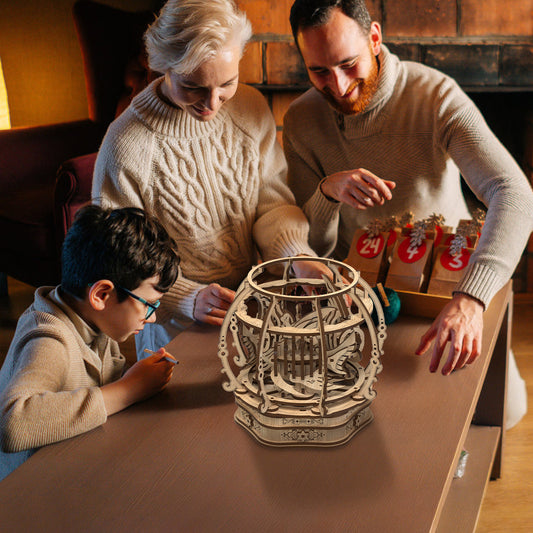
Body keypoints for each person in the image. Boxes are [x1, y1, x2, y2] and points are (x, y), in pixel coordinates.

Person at [284, 0, 533, 425]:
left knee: (504, 412)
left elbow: (513, 192)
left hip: (444, 276)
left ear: (375, 39)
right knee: (376, 420)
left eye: (348, 64)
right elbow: (315, 248)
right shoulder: (301, 119)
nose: (339, 86)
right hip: (358, 283)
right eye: (319, 71)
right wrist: (328, 192)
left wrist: (472, 298)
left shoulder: (436, 95)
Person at [92, 0, 327, 358]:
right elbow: (117, 258)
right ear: (164, 66)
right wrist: (188, 297)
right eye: (193, 87)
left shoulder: (250, 108)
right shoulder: (125, 145)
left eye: (227, 84)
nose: (212, 104)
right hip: (175, 328)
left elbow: (273, 204)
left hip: (258, 306)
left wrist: (295, 254)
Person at [0, 205, 180, 481]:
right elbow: (12, 424)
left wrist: (135, 376)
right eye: (148, 304)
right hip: (30, 494)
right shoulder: (48, 340)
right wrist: (129, 388)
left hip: (79, 464)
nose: (152, 318)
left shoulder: (95, 320)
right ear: (102, 294)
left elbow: (105, 380)